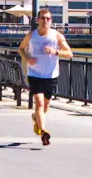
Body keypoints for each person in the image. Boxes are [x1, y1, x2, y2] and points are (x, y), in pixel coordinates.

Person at [18, 9, 72, 145]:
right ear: (38, 20)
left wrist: (55, 52)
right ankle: (43, 132)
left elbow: (70, 54)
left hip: (51, 75)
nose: (45, 21)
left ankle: (36, 118)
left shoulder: (57, 36)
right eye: (43, 18)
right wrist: (27, 58)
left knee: (45, 106)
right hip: (35, 74)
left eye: (48, 18)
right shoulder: (31, 36)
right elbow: (21, 48)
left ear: (51, 20)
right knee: (40, 103)